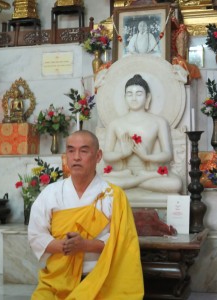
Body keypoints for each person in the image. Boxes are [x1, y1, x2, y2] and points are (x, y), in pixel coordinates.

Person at [28, 130, 144, 299]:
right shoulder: (50, 194)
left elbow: (123, 243)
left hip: (102, 280)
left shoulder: (113, 196)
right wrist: (66, 246)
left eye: (83, 151)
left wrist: (85, 245)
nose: (76, 157)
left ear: (98, 156)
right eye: (71, 150)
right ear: (66, 155)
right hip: (57, 281)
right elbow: (36, 236)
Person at [102, 74, 182, 194]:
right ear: (124, 97)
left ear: (147, 97)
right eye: (129, 94)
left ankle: (135, 181)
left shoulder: (159, 122)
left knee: (176, 184)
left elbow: (167, 154)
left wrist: (147, 157)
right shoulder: (115, 124)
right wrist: (122, 154)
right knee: (101, 181)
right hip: (126, 173)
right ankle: (142, 178)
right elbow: (106, 155)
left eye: (139, 94)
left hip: (148, 171)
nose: (134, 98)